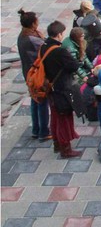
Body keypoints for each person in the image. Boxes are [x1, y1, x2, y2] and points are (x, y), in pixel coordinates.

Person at [40, 21, 82, 158]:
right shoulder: (60, 51)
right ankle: (66, 149)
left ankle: (57, 143)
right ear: (58, 34)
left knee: (55, 117)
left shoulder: (44, 46)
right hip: (62, 88)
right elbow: (74, 66)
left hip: (50, 86)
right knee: (64, 118)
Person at [18, 10, 49, 141]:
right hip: (36, 74)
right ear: (33, 24)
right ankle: (43, 132)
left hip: (28, 72)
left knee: (34, 100)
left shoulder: (22, 35)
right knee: (41, 100)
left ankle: (36, 129)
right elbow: (46, 46)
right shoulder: (32, 39)